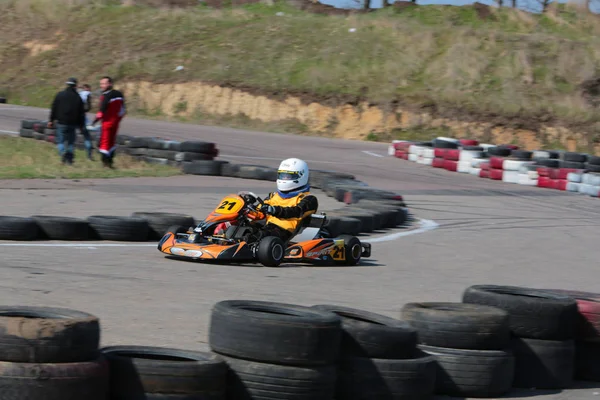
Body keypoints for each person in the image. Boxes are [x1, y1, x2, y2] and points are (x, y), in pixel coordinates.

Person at [244, 158, 318, 243]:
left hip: (284, 231)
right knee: (242, 228)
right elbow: (260, 211)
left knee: (256, 236)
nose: (284, 179)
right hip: (268, 227)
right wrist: (248, 209)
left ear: (301, 176)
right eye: (282, 176)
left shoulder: (309, 199)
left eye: (288, 176)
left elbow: (296, 211)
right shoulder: (273, 196)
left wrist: (275, 210)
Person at [47, 77, 86, 165]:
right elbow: (81, 113)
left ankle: (63, 152)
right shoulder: (78, 98)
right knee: (71, 142)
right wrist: (81, 125)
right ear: (75, 86)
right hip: (72, 124)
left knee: (61, 141)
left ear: (67, 84)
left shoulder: (60, 95)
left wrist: (51, 120)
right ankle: (69, 159)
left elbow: (54, 108)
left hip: (61, 122)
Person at [91, 76, 126, 168]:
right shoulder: (119, 94)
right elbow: (123, 110)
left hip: (106, 123)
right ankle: (111, 162)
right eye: (101, 84)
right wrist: (118, 120)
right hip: (115, 123)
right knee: (112, 142)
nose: (101, 86)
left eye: (104, 83)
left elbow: (101, 111)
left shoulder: (106, 96)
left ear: (110, 84)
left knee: (104, 143)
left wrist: (94, 121)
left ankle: (105, 163)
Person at [78, 84, 94, 160]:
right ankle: (89, 156)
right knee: (87, 137)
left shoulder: (77, 93)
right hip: (81, 118)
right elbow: (88, 107)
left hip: (71, 117)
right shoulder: (87, 93)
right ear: (87, 88)